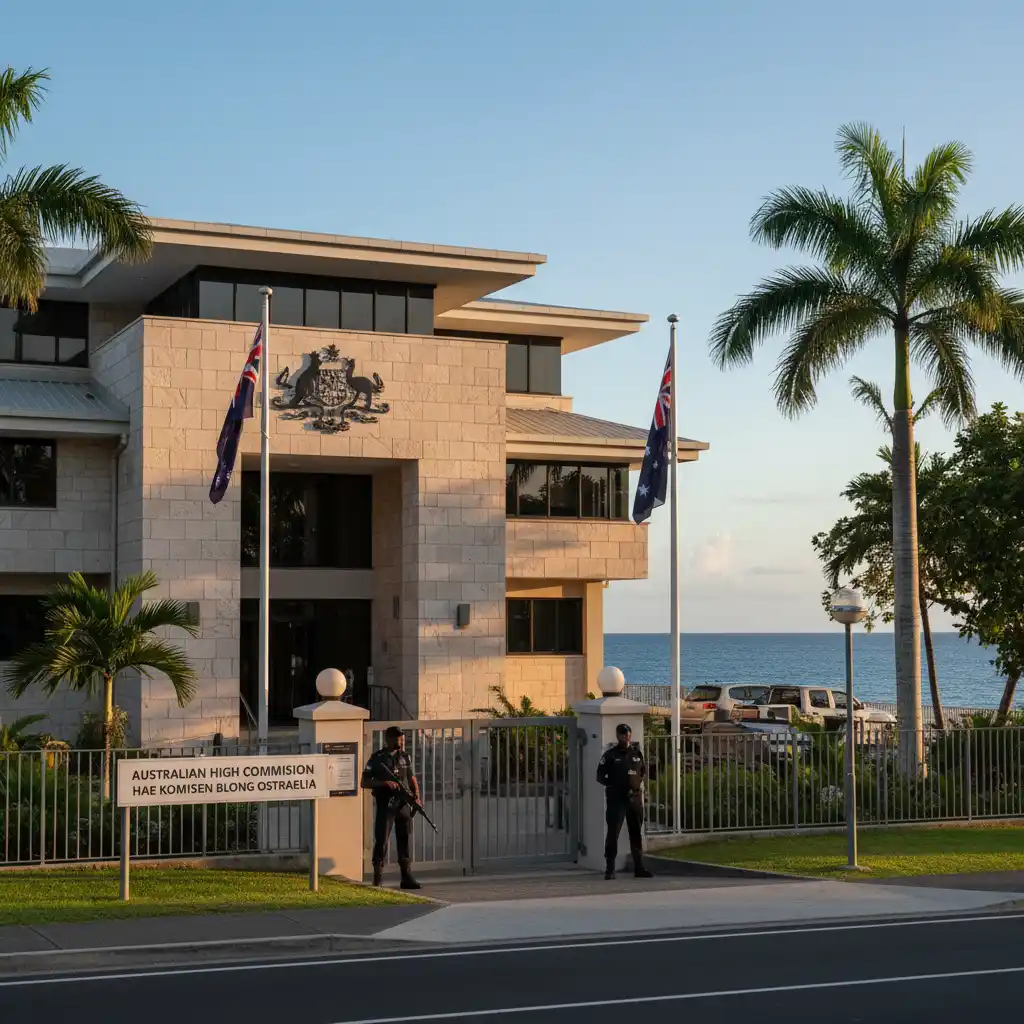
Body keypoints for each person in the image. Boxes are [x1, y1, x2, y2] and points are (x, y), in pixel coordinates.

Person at [361, 725, 422, 889]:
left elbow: (411, 777)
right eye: (397, 738)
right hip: (386, 803)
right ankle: (377, 877)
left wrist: (417, 796)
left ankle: (406, 876)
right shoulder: (377, 758)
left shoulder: (404, 757)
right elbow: (364, 782)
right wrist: (384, 783)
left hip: (403, 804)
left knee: (404, 839)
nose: (400, 741)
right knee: (382, 840)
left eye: (401, 738)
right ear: (388, 739)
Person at [596, 723, 654, 880]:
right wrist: (614, 785)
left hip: (634, 798)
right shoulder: (610, 755)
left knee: (636, 833)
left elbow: (642, 773)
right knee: (613, 834)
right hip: (617, 799)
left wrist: (638, 789)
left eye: (627, 734)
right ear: (618, 736)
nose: (625, 737)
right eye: (622, 734)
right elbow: (600, 776)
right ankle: (610, 869)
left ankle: (639, 868)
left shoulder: (636, 754)